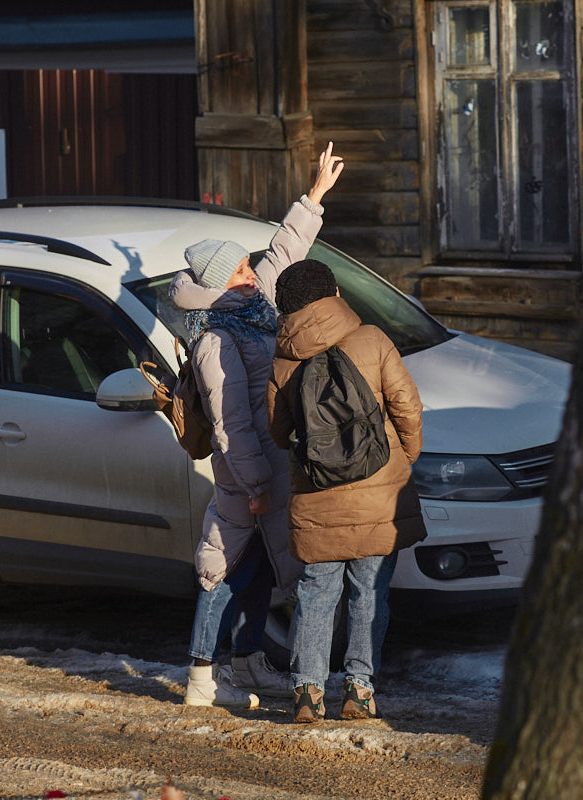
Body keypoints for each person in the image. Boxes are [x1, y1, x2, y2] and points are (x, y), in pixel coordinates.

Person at [171, 143, 344, 708]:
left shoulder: (254, 304)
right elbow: (230, 424)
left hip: (272, 464)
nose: (251, 274)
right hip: (245, 474)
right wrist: (255, 485)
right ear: (219, 284)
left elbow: (285, 249)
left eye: (248, 267)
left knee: (263, 567)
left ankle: (246, 663)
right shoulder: (216, 338)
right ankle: (201, 678)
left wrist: (314, 196)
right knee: (222, 570)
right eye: (241, 271)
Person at [266, 259, 427, 723]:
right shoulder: (372, 339)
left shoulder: (283, 361)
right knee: (369, 593)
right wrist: (404, 455)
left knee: (317, 593)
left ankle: (307, 692)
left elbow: (279, 433)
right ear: (334, 294)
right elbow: (407, 405)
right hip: (379, 493)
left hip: (317, 498)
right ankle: (359, 689)